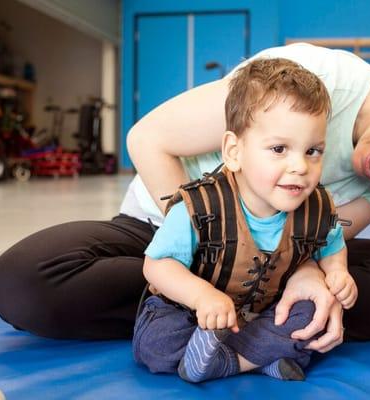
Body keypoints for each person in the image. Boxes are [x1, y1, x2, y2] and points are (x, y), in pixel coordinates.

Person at [0, 43, 370, 354]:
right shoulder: (310, 79)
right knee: (26, 282)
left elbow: (325, 237)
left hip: (271, 260)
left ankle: (234, 316)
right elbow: (148, 139)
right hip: (166, 227)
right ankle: (203, 307)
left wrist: (311, 276)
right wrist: (197, 252)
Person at [132, 58, 356, 382]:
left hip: (260, 312)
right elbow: (156, 265)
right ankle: (260, 357)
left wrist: (336, 272)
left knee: (310, 316)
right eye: (279, 148)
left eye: (313, 151)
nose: (300, 166)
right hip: (191, 315)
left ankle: (228, 361)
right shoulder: (199, 206)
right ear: (234, 151)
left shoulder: (317, 207)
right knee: (155, 341)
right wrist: (202, 297)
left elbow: (331, 245)